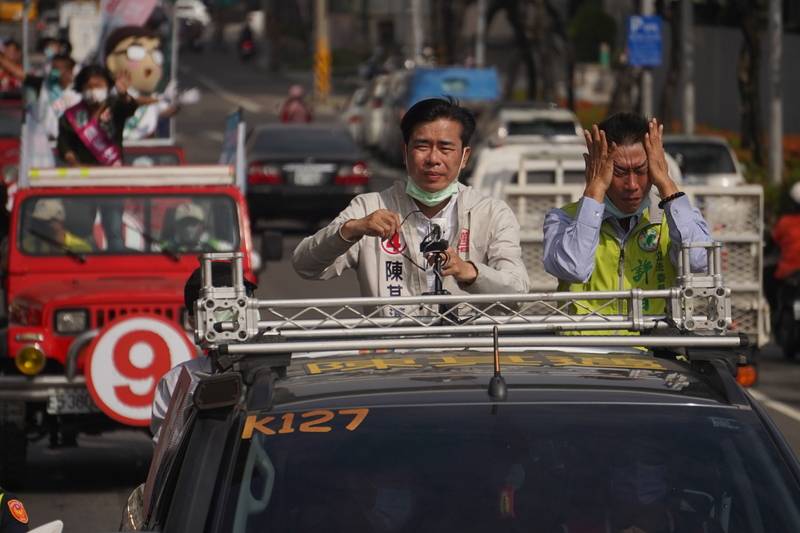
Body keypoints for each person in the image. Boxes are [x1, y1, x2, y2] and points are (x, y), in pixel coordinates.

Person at [293, 97, 529, 298]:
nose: (433, 159)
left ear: (465, 156)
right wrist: (352, 229)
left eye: (445, 148)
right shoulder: (369, 207)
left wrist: (470, 272)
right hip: (393, 348)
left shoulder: (491, 212)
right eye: (422, 146)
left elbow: (518, 289)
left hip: (468, 349)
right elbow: (305, 266)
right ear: (405, 152)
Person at [542, 113, 710, 318]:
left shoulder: (673, 217)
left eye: (641, 170)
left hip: (652, 347)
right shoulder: (562, 220)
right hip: (585, 347)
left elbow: (698, 261)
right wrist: (595, 189)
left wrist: (666, 182)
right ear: (597, 167)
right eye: (619, 172)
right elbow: (574, 269)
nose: (632, 185)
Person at [150, 262, 257, 443]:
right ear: (194, 320)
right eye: (222, 307)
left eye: (243, 300)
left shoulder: (286, 363)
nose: (236, 313)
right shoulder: (178, 382)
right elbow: (169, 452)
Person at [56, 64, 138, 166]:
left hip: (113, 170)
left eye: (98, 86)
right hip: (83, 172)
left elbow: (130, 107)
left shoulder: (115, 107)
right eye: (89, 87)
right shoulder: (72, 115)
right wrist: (74, 163)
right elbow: (64, 145)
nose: (93, 90)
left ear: (107, 86)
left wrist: (123, 94)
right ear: (81, 88)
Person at [22, 198, 92, 254]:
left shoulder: (81, 248)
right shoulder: (26, 246)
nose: (40, 226)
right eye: (38, 222)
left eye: (46, 222)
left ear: (60, 222)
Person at [163, 202, 231, 252]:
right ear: (176, 226)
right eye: (184, 223)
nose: (188, 229)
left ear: (202, 226)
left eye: (193, 223)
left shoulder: (221, 248)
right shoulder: (163, 249)